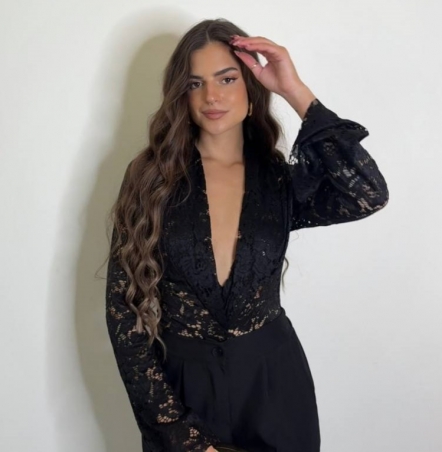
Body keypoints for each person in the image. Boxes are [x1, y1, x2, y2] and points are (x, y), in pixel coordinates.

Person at [104, 18, 389, 452]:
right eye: (195, 84)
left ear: (251, 89)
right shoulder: (151, 178)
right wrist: (176, 429)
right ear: (181, 95)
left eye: (227, 78)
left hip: (275, 386)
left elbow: (367, 193)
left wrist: (294, 89)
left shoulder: (279, 181)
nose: (212, 96)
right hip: (184, 392)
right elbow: (123, 311)